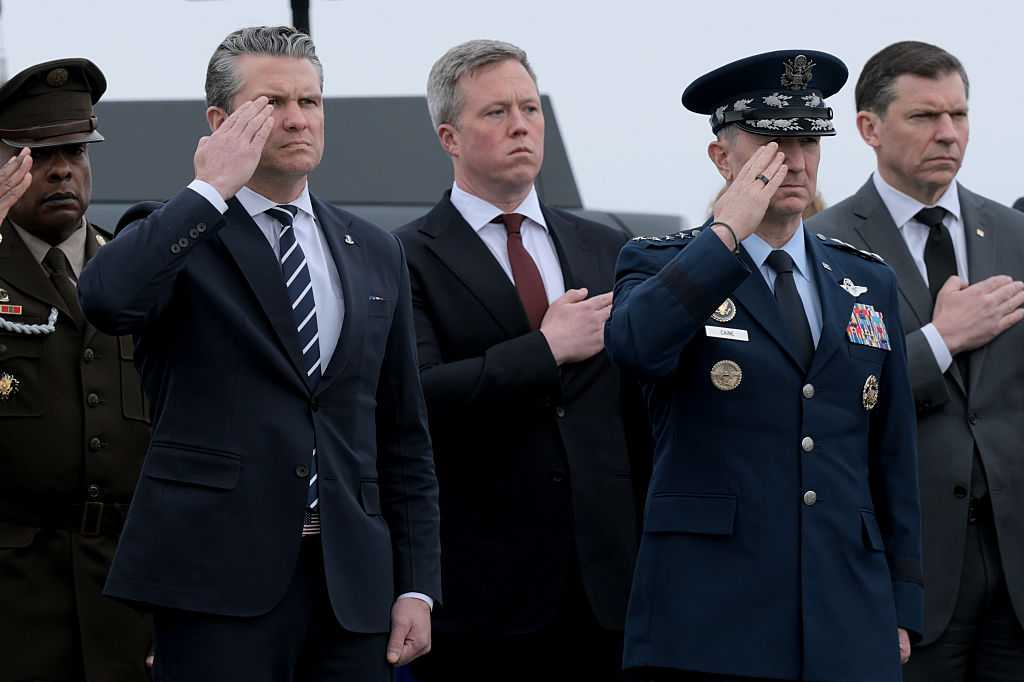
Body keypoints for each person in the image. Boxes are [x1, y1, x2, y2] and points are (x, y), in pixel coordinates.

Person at [78, 26, 440, 682]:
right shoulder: (180, 233)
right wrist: (208, 191)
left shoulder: (375, 250)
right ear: (220, 121)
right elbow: (107, 299)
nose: (299, 118)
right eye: (273, 102)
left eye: (313, 101)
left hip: (350, 590)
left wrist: (416, 585)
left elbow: (402, 433)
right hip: (215, 583)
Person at [605, 50, 923, 682]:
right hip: (711, 617)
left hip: (845, 611)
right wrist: (723, 235)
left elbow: (891, 456)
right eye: (773, 141)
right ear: (723, 159)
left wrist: (902, 602)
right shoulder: (657, 263)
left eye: (808, 139)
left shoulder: (865, 280)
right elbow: (637, 348)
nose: (796, 161)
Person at [395, 39, 650, 681]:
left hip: (607, 591)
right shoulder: (404, 256)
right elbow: (419, 396)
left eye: (530, 109)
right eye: (496, 113)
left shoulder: (606, 244)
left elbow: (637, 414)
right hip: (480, 594)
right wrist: (545, 349)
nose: (520, 125)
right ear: (449, 136)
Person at [808, 40, 1024, 682]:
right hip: (908, 570)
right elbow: (829, 398)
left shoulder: (1013, 235)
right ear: (868, 128)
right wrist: (939, 341)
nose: (949, 134)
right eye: (925, 117)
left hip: (1015, 571)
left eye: (959, 116)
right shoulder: (824, 245)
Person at [0, 58, 153, 682]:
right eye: (36, 153)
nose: (62, 167)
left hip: (126, 598)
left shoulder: (135, 271)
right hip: (14, 604)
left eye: (75, 150)